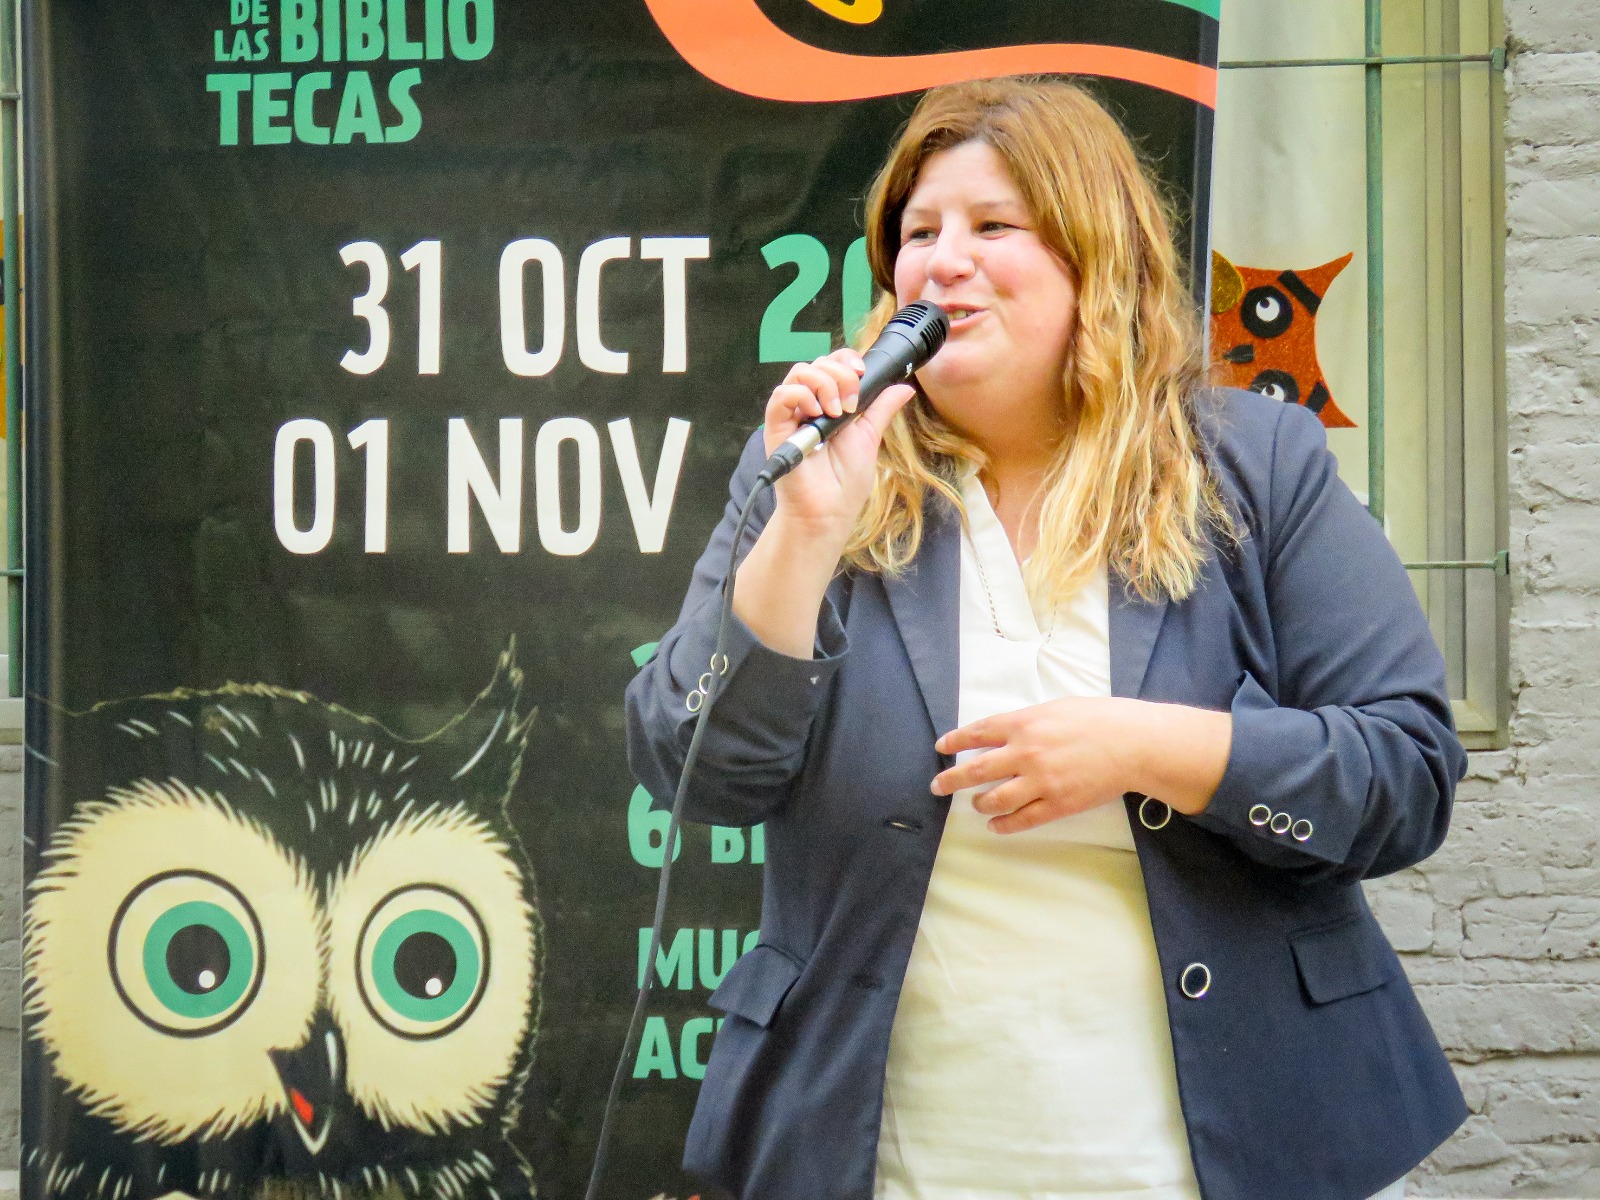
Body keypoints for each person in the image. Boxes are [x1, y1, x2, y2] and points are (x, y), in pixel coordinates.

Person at [625, 77, 1467, 1200]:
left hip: (1216, 1152)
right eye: (918, 233)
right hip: (897, 1154)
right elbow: (697, 771)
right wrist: (807, 535)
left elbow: (1404, 775)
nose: (942, 261)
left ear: (1094, 259)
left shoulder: (1256, 465)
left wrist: (1143, 747)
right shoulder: (821, 467)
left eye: (992, 227)